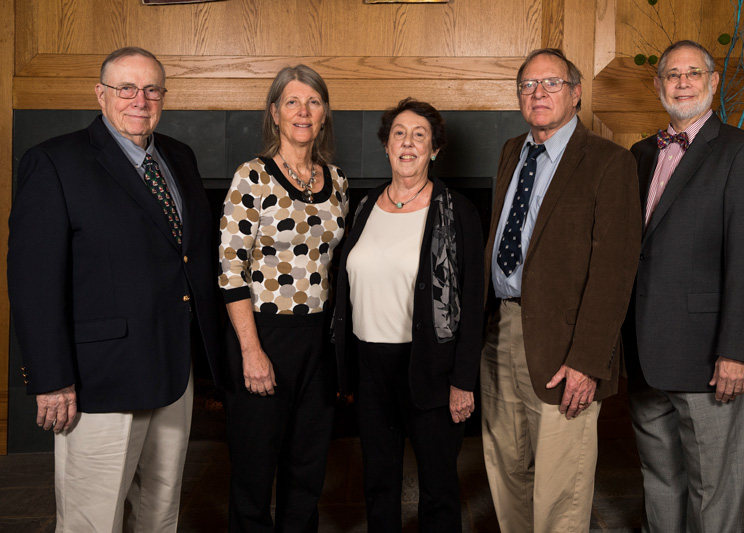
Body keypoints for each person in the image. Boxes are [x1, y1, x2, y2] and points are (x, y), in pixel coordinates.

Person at [7, 47, 221, 532]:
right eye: (126, 88)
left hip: (173, 371)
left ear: (163, 97)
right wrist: (51, 377)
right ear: (100, 95)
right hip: (100, 378)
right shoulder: (54, 162)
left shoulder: (179, 157)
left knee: (160, 512)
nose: (138, 100)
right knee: (92, 519)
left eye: (151, 89)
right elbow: (33, 281)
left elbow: (187, 258)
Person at [480, 48, 641, 532]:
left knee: (560, 482)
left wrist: (588, 361)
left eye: (551, 83)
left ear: (575, 93)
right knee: (504, 465)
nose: (539, 94)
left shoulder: (609, 163)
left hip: (565, 345)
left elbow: (614, 271)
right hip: (501, 330)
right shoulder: (513, 150)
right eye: (528, 86)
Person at [624, 40, 744, 533]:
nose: (683, 82)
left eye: (694, 73)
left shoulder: (742, 151)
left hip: (709, 358)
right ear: (658, 84)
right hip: (646, 352)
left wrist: (736, 351)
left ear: (712, 82)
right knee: (660, 478)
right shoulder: (640, 153)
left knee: (713, 488)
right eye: (673, 74)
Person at [333, 97, 484, 532]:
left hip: (431, 368)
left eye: (420, 135)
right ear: (386, 146)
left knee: (438, 487)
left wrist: (462, 381)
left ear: (434, 150)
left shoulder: (457, 212)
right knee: (378, 482)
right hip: (370, 365)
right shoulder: (363, 207)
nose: (408, 143)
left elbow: (474, 304)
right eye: (399, 133)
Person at [218, 64, 348, 532]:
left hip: (319, 341)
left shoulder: (337, 182)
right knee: (254, 474)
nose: (303, 111)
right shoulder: (251, 177)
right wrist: (252, 352)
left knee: (307, 469)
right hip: (263, 335)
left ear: (325, 113)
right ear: (274, 113)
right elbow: (230, 270)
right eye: (292, 101)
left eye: (313, 101)